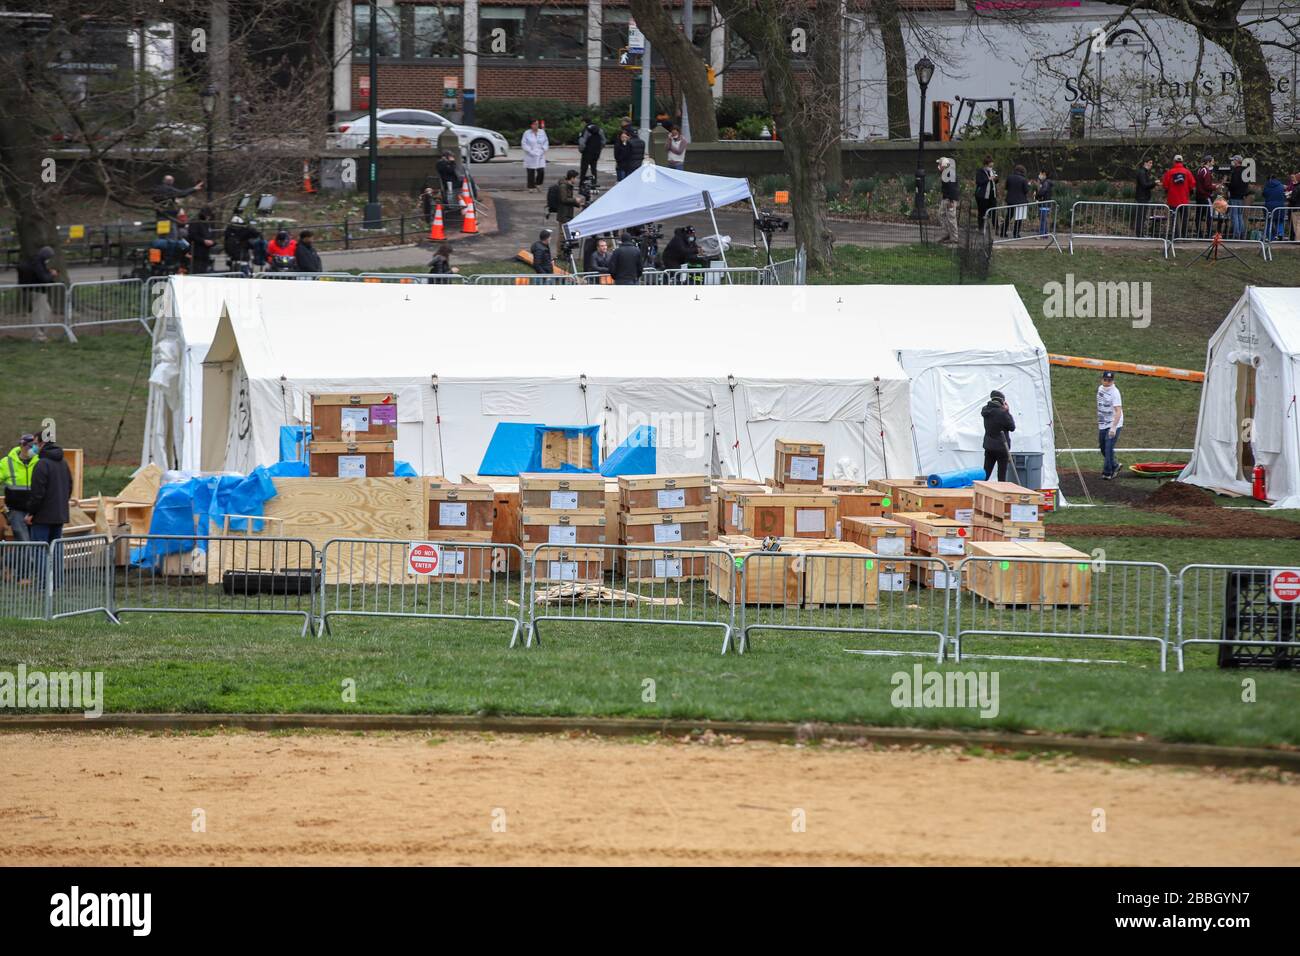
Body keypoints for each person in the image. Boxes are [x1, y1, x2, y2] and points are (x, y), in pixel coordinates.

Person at [24, 430, 72, 587]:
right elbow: (69, 487)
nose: (34, 447)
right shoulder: (63, 463)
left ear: (42, 443)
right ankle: (57, 582)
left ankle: (44, 584)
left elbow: (37, 494)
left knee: (40, 550)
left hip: (42, 517)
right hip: (59, 514)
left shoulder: (41, 464)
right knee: (56, 550)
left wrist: (31, 513)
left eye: (36, 444)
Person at [0, 433, 38, 543]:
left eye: (33, 446)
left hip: (35, 509)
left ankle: (25, 560)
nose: (31, 449)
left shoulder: (40, 461)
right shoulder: (6, 462)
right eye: (29, 446)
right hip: (15, 510)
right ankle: (29, 560)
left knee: (35, 541)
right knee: (23, 540)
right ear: (21, 445)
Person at [15, 246, 59, 342]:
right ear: (46, 256)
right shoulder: (38, 263)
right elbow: (43, 278)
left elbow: (39, 274)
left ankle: (42, 334)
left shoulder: (36, 261)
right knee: (39, 313)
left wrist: (48, 272)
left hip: (38, 291)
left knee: (46, 311)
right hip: (37, 291)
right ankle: (38, 336)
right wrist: (52, 274)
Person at [981, 390, 1015, 482]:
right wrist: (1007, 411)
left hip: (989, 445)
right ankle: (1000, 493)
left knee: (986, 473)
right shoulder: (1003, 413)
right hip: (1002, 447)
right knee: (1001, 475)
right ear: (1002, 401)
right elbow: (1012, 427)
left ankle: (980, 491)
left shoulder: (985, 410)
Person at [1097, 370, 1124, 480]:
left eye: (1110, 380)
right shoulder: (1100, 389)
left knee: (1108, 448)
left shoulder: (1115, 393)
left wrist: (1113, 428)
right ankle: (1115, 465)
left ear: (1113, 381)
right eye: (1105, 380)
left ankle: (1107, 472)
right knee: (1103, 448)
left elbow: (1118, 411)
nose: (1107, 382)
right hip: (1103, 423)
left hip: (1114, 423)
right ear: (1102, 379)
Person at [1161, 154, 1193, 237]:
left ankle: (1175, 236)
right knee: (1184, 218)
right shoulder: (1187, 172)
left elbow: (1165, 185)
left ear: (1174, 162)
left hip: (1173, 200)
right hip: (1184, 200)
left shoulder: (1169, 172)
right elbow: (1192, 184)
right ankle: (1184, 236)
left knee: (1173, 218)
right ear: (1182, 162)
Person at [555, 169, 584, 254]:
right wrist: (575, 200)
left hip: (567, 213)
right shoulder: (563, 186)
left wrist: (579, 204)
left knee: (565, 234)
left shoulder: (568, 185)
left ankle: (563, 252)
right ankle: (559, 253)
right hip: (563, 214)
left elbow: (568, 201)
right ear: (572, 178)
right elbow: (564, 199)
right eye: (576, 178)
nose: (576, 180)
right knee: (562, 235)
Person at [1226, 155, 1251, 239]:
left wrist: (1227, 184)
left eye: (1233, 160)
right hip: (1241, 196)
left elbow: (1234, 184)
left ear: (1237, 161)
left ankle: (1236, 234)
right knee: (1240, 215)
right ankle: (1242, 233)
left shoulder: (1235, 171)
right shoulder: (1245, 171)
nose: (1232, 162)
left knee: (1234, 215)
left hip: (1235, 196)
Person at [937, 157, 960, 244]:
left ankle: (954, 238)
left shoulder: (950, 174)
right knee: (940, 215)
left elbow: (953, 188)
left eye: (940, 164)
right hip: (946, 198)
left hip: (950, 199)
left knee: (951, 218)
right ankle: (947, 233)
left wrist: (951, 200)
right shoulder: (946, 173)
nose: (938, 166)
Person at [1193, 153, 1217, 238]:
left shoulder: (1200, 170)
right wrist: (1215, 187)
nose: (1213, 162)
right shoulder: (1206, 171)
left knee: (1199, 215)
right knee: (1208, 216)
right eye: (1212, 161)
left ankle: (1199, 234)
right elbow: (1207, 186)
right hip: (1205, 196)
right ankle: (1209, 233)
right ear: (1208, 162)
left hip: (1199, 196)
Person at [521, 119, 549, 192]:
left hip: (540, 154)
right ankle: (531, 186)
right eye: (535, 124)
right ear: (531, 125)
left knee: (541, 171)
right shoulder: (527, 133)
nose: (536, 126)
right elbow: (524, 143)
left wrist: (543, 149)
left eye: (537, 124)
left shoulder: (542, 132)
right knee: (531, 171)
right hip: (530, 154)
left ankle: (538, 184)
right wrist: (530, 151)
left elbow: (546, 141)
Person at [1003, 164, 1029, 239]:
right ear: (1022, 171)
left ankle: (1003, 231)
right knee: (1019, 218)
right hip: (1020, 200)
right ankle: (1016, 234)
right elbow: (1026, 190)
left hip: (1010, 200)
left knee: (1009, 216)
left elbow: (1006, 187)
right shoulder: (1023, 179)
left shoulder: (1009, 177)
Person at [187, 207, 216, 274]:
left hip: (206, 251)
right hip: (197, 251)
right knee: (197, 269)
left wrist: (213, 242)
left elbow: (213, 236)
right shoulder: (195, 223)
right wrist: (203, 241)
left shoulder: (208, 224)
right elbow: (192, 236)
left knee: (204, 269)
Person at [577, 118, 605, 186]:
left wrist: (581, 150)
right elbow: (603, 141)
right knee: (594, 168)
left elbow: (582, 142)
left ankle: (582, 182)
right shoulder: (599, 129)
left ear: (584, 122)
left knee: (584, 168)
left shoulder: (585, 130)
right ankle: (594, 182)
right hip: (596, 152)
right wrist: (599, 149)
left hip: (587, 152)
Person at [1134, 158, 1157, 236]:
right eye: (1150, 163)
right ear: (1145, 163)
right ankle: (1139, 234)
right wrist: (1154, 183)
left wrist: (1154, 184)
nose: (1151, 165)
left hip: (1144, 197)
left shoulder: (1144, 172)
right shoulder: (1142, 172)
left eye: (1151, 163)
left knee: (1142, 216)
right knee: (1141, 216)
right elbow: (1144, 185)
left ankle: (1140, 233)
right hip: (1142, 197)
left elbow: (1146, 185)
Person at [1262, 172, 1287, 240]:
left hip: (1269, 206)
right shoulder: (1281, 185)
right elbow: (1284, 194)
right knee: (1280, 220)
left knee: (1269, 221)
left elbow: (1264, 194)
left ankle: (1269, 236)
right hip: (1280, 205)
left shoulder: (1267, 186)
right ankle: (1280, 233)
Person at [975, 155, 997, 231]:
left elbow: (995, 182)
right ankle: (980, 227)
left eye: (992, 165)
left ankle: (996, 227)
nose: (991, 166)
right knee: (981, 212)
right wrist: (988, 178)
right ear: (986, 164)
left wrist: (995, 178)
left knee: (994, 211)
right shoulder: (980, 172)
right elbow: (978, 182)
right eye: (990, 165)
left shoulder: (992, 171)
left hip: (992, 195)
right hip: (982, 195)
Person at [1034, 169, 1054, 235]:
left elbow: (1042, 191)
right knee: (1043, 219)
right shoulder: (1046, 182)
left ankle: (1042, 234)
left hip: (1044, 202)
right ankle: (1044, 234)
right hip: (1045, 202)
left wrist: (1037, 195)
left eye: (1041, 174)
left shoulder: (1046, 183)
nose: (1040, 175)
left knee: (1042, 219)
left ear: (1044, 174)